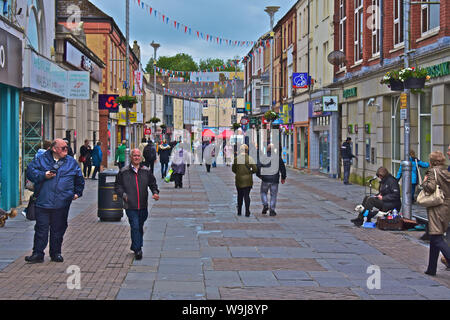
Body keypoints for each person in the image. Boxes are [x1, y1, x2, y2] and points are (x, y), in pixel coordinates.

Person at [24, 139, 85, 263]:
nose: (66, 150)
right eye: (63, 148)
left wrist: (77, 193)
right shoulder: (41, 159)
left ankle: (56, 253)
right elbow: (30, 172)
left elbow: (79, 178)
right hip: (43, 201)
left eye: (66, 148)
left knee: (58, 229)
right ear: (54, 149)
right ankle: (38, 253)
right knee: (41, 229)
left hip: (62, 202)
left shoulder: (71, 162)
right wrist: (43, 175)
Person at [114, 149, 160, 260]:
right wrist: (123, 195)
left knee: (139, 226)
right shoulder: (124, 171)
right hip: (130, 205)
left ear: (141, 158)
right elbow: (117, 186)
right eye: (134, 156)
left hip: (143, 205)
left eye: (138, 156)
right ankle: (138, 249)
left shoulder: (146, 171)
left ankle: (135, 245)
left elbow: (153, 184)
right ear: (130, 157)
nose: (136, 158)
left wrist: (155, 193)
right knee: (134, 226)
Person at [421, 151, 450, 276]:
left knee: (437, 238)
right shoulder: (446, 171)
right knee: (434, 237)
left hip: (436, 207)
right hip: (446, 206)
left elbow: (431, 187)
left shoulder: (433, 172)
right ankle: (431, 268)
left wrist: (424, 182)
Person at [257, 144, 287, 217]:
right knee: (273, 195)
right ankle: (272, 210)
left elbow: (258, 166)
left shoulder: (263, 157)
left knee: (263, 192)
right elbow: (283, 169)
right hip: (274, 179)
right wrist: (283, 178)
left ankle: (265, 204)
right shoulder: (278, 158)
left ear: (267, 149)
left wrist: (259, 175)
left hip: (265, 179)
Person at [232, 144, 258, 217]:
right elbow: (255, 169)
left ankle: (239, 211)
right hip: (248, 180)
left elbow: (233, 169)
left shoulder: (236, 158)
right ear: (247, 150)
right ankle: (247, 211)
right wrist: (250, 172)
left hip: (239, 180)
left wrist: (238, 173)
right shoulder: (250, 158)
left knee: (239, 196)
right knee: (246, 195)